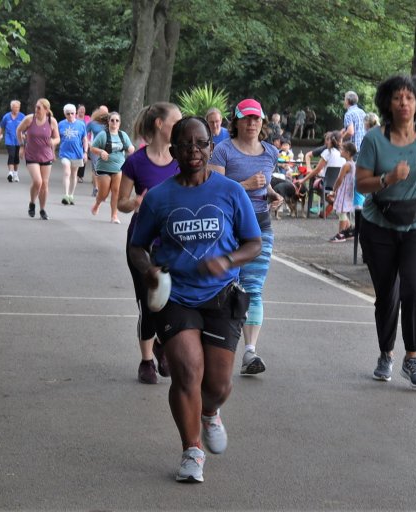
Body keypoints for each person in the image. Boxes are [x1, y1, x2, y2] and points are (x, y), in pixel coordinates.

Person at [128, 116, 262, 483]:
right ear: (173, 151)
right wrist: (150, 271)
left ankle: (210, 412)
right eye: (185, 145)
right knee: (187, 372)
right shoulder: (158, 197)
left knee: (217, 385)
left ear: (210, 146)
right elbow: (137, 246)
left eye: (201, 143)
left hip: (221, 295)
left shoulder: (231, 191)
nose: (193, 151)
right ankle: (192, 450)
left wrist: (227, 259)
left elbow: (254, 243)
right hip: (178, 297)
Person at [355, 74, 416, 389]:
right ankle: (385, 353)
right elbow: (360, 183)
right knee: (387, 295)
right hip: (380, 225)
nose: (404, 103)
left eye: (409, 97)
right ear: (388, 104)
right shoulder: (374, 139)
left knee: (415, 289)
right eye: (397, 98)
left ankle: (413, 358)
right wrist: (388, 179)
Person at [208, 98, 283, 375]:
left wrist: (273, 195)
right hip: (228, 229)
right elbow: (214, 191)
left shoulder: (270, 153)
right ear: (236, 121)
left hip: (260, 227)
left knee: (253, 288)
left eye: (256, 119)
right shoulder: (223, 151)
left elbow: (267, 183)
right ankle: (220, 346)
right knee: (226, 288)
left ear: (262, 122)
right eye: (247, 118)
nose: (252, 123)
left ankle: (250, 353)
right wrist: (245, 185)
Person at [118, 102, 182, 384]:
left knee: (169, 304)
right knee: (148, 302)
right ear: (159, 124)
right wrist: (136, 202)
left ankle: (161, 345)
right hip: (141, 244)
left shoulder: (182, 160)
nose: (180, 127)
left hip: (174, 244)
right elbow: (120, 203)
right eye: (175, 122)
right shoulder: (135, 161)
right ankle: (147, 360)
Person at [16, 98, 60, 220]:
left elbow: (57, 138)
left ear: (46, 109)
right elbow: (19, 130)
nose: (36, 110)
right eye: (36, 107)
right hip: (31, 155)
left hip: (46, 155)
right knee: (38, 181)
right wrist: (21, 145)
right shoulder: (29, 119)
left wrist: (52, 141)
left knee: (45, 184)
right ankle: (32, 202)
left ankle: (42, 209)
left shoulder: (52, 121)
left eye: (39, 108)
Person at [89, 111, 135, 223]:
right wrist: (101, 152)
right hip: (103, 168)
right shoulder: (103, 135)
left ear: (119, 123)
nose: (114, 122)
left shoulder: (123, 135)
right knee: (103, 194)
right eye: (112, 120)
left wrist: (131, 149)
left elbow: (130, 147)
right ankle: (98, 202)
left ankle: (114, 215)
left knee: (116, 192)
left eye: (117, 120)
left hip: (119, 168)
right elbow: (92, 148)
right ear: (108, 122)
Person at [57, 103, 88, 206]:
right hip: (65, 153)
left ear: (75, 113)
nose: (70, 115)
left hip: (77, 153)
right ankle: (65, 195)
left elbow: (84, 139)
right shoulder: (61, 124)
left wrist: (85, 152)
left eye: (72, 113)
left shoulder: (81, 124)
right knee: (67, 172)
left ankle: (71, 195)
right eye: (67, 114)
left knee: (74, 174)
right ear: (64, 114)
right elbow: (57, 138)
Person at [327, 142, 358, 242]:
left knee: (341, 212)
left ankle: (341, 233)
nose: (340, 151)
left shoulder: (346, 165)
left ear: (348, 152)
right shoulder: (353, 164)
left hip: (344, 191)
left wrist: (334, 189)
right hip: (348, 191)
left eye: (342, 149)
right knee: (342, 211)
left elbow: (340, 179)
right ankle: (348, 231)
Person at [0, 100, 25, 183]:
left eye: (18, 107)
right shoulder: (6, 117)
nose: (16, 109)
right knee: (11, 155)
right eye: (15, 107)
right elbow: (1, 126)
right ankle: (10, 173)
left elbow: (27, 126)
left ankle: (15, 173)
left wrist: (25, 134)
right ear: (11, 107)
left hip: (19, 140)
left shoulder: (22, 116)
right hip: (9, 139)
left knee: (16, 157)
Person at [87, 106, 110, 197]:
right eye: (103, 112)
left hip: (106, 148)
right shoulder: (92, 123)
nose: (105, 114)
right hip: (95, 148)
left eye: (106, 113)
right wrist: (88, 143)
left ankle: (103, 188)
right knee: (96, 168)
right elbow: (83, 133)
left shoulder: (109, 123)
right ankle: (96, 188)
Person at [76, 104, 91, 183]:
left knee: (83, 158)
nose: (82, 111)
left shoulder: (88, 118)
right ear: (77, 110)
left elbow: (91, 130)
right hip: (75, 140)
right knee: (75, 157)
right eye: (81, 109)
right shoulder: (73, 117)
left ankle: (80, 176)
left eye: (83, 109)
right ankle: (74, 173)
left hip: (85, 141)